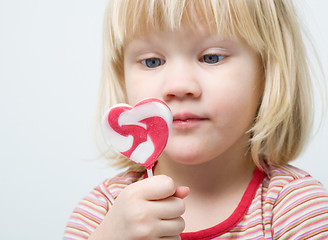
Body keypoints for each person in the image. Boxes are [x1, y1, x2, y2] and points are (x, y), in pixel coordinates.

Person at [64, 0, 328, 239]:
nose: (178, 86)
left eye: (211, 57)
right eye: (152, 61)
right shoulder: (101, 214)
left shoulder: (295, 209)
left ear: (267, 70)